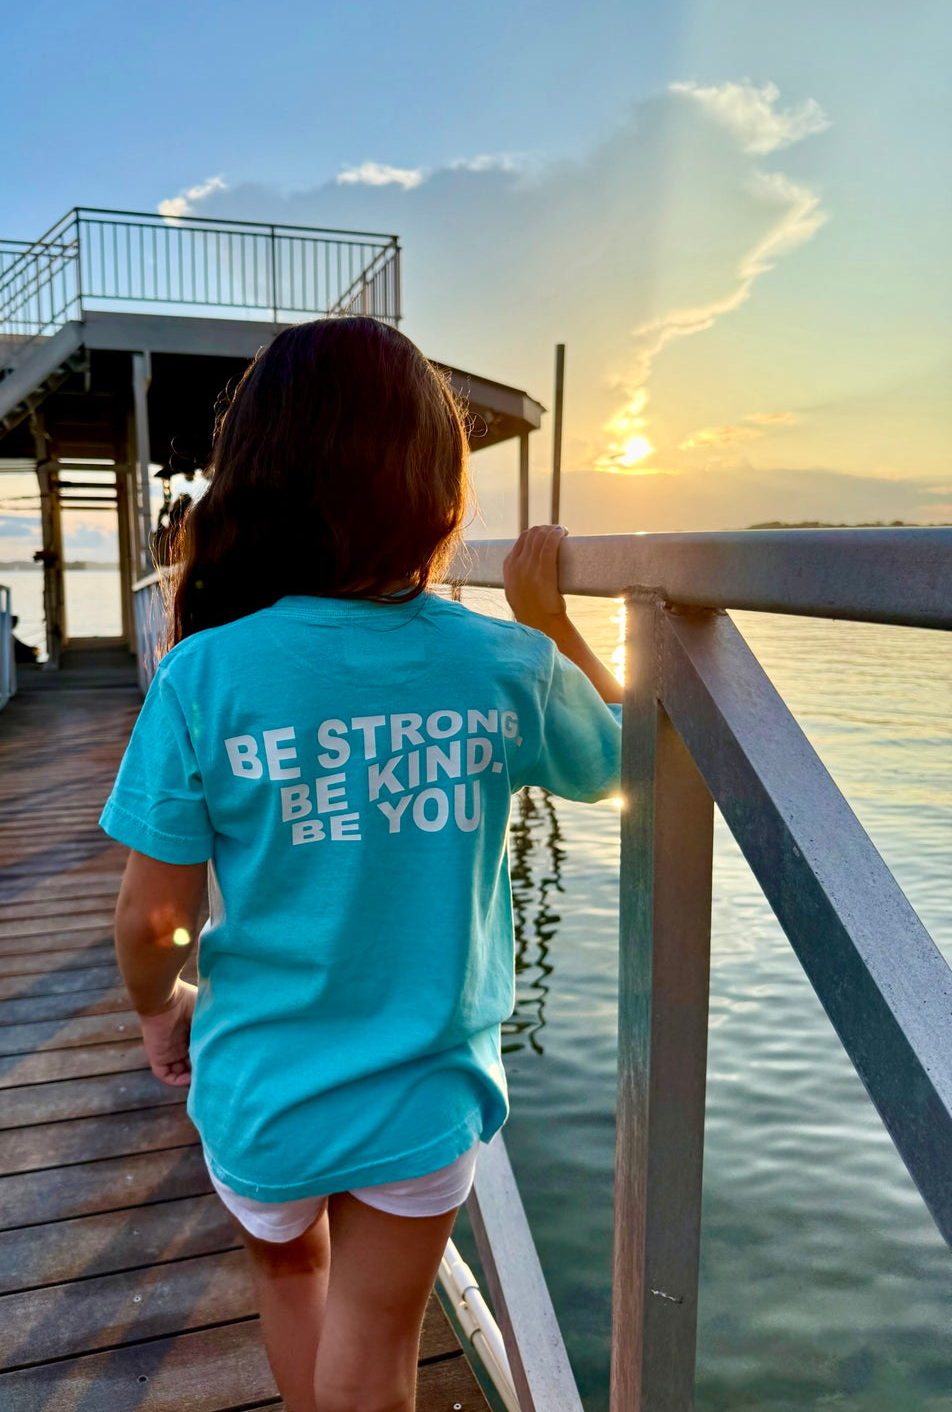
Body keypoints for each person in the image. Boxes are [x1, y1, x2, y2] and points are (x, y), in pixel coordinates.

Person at [99, 317, 624, 1412]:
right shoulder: (500, 665)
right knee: (379, 1342)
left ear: (256, 476)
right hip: (420, 1081)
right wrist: (553, 627)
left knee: (290, 1275)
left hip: (259, 1078)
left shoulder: (203, 675)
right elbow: (622, 765)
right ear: (432, 482)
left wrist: (162, 1009)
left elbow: (156, 921)